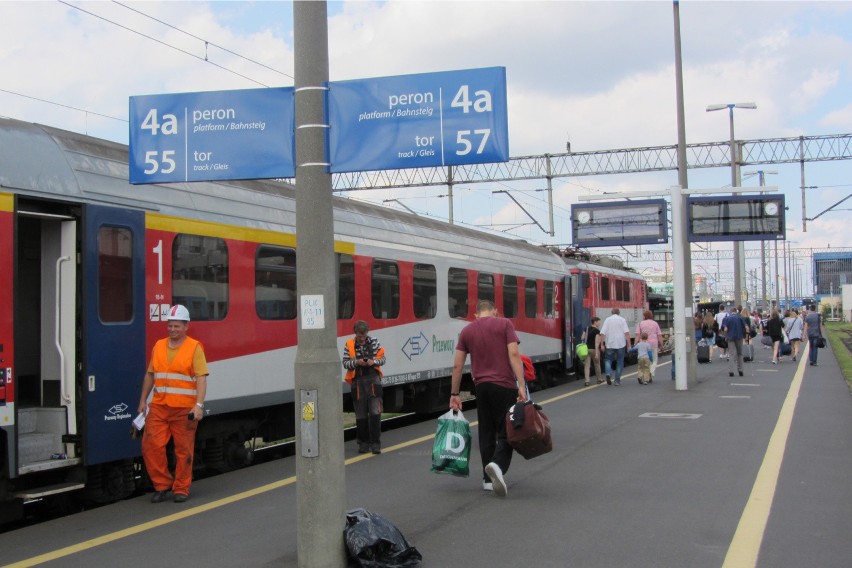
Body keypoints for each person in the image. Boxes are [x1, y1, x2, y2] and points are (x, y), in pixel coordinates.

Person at [449, 300, 527, 497]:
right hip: (505, 386)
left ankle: (487, 480)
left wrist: (455, 394)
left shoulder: (467, 331)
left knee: (486, 431)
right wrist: (521, 384)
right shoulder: (505, 324)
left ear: (476, 315)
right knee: (508, 430)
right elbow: (514, 354)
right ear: (495, 311)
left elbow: (457, 365)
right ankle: (497, 465)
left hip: (481, 387)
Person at [137, 304, 208, 503]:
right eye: (170, 325)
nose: (172, 329)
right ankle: (162, 485)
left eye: (176, 326)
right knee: (151, 446)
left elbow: (201, 377)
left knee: (183, 450)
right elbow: (150, 375)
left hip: (184, 409)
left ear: (186, 326)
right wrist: (143, 400)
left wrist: (199, 405)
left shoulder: (194, 347)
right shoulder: (158, 346)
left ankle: (181, 488)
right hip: (159, 406)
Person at [343, 320, 386, 454]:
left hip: (373, 381)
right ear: (355, 333)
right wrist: (357, 362)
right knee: (360, 415)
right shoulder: (349, 344)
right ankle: (363, 443)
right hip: (358, 382)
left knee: (375, 413)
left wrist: (373, 362)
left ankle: (375, 444)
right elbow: (345, 363)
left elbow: (383, 359)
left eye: (364, 335)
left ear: (367, 333)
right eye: (359, 336)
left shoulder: (374, 342)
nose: (362, 338)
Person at [600, 308, 630, 386]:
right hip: (621, 344)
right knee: (620, 361)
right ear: (619, 313)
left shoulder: (607, 320)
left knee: (608, 360)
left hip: (610, 343)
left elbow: (602, 333)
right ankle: (617, 381)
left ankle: (608, 373)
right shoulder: (622, 320)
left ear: (611, 313)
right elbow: (626, 333)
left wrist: (602, 344)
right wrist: (629, 344)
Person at [721, 305, 749, 378]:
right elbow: (746, 327)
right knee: (739, 354)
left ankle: (731, 371)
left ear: (730, 312)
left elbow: (725, 329)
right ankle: (740, 370)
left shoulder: (726, 319)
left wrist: (725, 335)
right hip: (739, 337)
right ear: (736, 312)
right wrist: (746, 337)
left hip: (730, 337)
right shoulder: (740, 318)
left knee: (731, 354)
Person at [636, 310, 663, 378]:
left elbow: (637, 335)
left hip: (643, 344)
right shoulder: (655, 323)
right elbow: (659, 335)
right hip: (653, 344)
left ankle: (645, 373)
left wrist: (635, 343)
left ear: (644, 316)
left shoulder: (640, 323)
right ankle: (651, 371)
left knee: (645, 359)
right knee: (654, 360)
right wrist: (662, 345)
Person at [582, 317, 603, 386]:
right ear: (595, 322)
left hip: (586, 349)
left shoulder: (586, 328)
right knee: (597, 365)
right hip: (594, 349)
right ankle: (599, 379)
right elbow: (597, 343)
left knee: (587, 366)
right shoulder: (597, 331)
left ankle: (587, 381)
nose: (599, 323)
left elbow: (582, 337)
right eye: (598, 322)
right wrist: (597, 353)